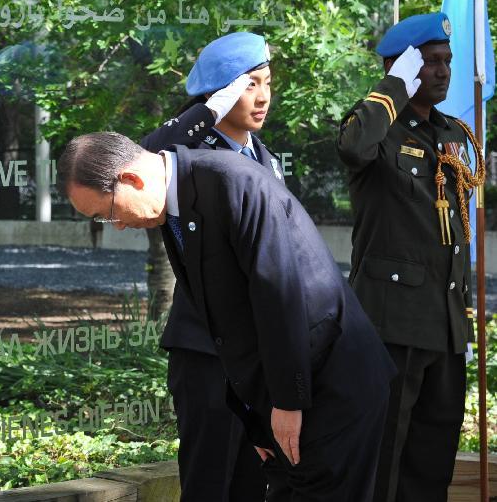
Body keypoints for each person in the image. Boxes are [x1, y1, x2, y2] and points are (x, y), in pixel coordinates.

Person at [58, 132, 396, 502]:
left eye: (106, 214)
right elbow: (226, 326)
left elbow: (280, 296)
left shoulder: (232, 181)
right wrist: (257, 423)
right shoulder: (177, 204)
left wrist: (286, 404)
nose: (118, 225)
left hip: (332, 385)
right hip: (290, 398)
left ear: (131, 180)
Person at [336, 12, 485, 502]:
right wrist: (392, 86)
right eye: (429, 61)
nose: (442, 70)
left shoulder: (451, 133)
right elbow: (354, 147)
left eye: (447, 61)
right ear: (400, 67)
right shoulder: (377, 129)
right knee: (385, 457)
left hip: (444, 324)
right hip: (391, 324)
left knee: (432, 456)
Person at [139, 31, 280, 501]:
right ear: (219, 95)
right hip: (206, 351)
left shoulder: (266, 160)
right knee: (209, 483)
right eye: (248, 86)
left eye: (266, 82)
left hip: (259, 351)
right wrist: (207, 112)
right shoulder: (187, 154)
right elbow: (140, 158)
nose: (261, 97)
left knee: (251, 484)